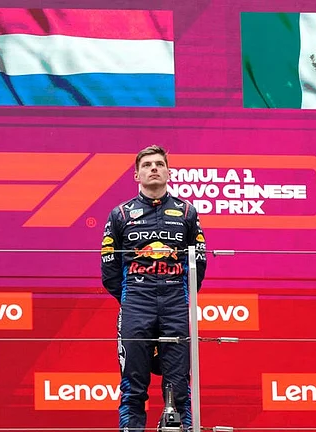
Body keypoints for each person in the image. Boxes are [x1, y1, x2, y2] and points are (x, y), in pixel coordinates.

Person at [101, 145, 207, 431]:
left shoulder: (187, 212)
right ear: (137, 174)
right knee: (133, 387)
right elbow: (109, 270)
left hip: (174, 303)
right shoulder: (120, 214)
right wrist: (134, 293)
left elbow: (199, 263)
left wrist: (176, 289)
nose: (154, 169)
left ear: (169, 172)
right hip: (136, 303)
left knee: (179, 388)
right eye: (147, 165)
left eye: (159, 164)